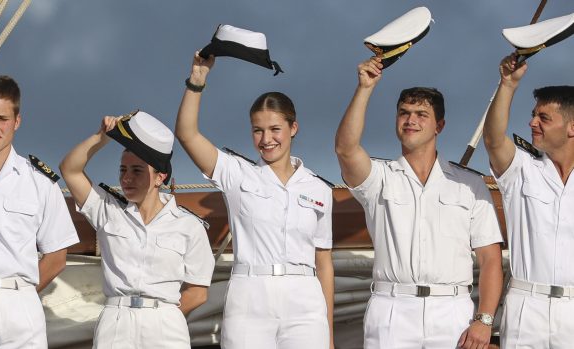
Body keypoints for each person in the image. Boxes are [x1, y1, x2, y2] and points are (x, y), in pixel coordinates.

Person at [335, 56, 504, 349]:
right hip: (391, 309)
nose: (411, 120)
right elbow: (345, 149)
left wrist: (485, 320)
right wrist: (365, 88)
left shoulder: (470, 185)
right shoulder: (379, 178)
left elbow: (490, 260)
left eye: (421, 114)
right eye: (404, 113)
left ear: (439, 125)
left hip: (453, 311)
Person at [175, 52, 335, 349]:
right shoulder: (237, 174)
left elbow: (323, 262)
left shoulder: (318, 189)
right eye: (257, 130)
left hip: (305, 301)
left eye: (275, 129)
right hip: (250, 297)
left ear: (293, 129)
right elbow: (187, 134)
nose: (266, 139)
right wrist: (197, 81)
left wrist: (329, 335)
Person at [59, 110, 215, 349]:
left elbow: (198, 291)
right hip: (116, 322)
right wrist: (101, 137)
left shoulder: (189, 226)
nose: (127, 178)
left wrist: (164, 317)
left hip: (166, 324)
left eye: (137, 171)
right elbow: (70, 169)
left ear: (159, 177)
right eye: (123, 170)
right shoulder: (108, 211)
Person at [0, 75, 79, 348]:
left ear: (17, 121)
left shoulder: (40, 182)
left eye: (3, 118)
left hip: (21, 306)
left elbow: (56, 256)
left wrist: (19, 294)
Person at [483, 54, 574, 348]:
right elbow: (494, 140)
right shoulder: (521, 168)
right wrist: (508, 84)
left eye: (544, 118)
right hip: (526, 307)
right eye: (534, 114)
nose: (532, 122)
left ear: (572, 128)